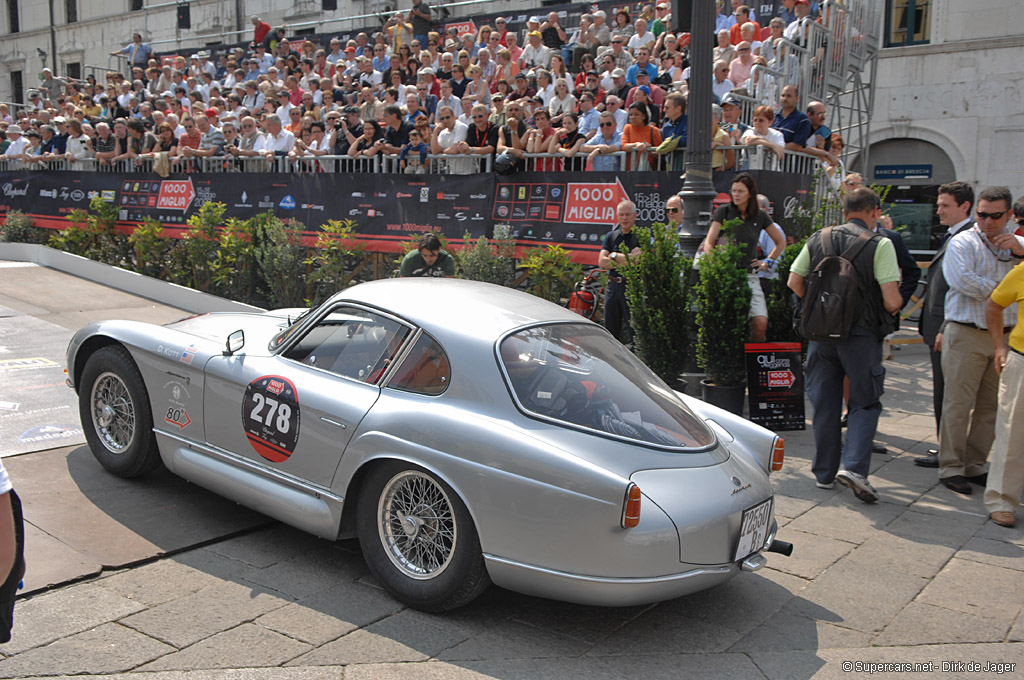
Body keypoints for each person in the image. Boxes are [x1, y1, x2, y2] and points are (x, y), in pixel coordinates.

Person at [788, 188, 903, 503]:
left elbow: (794, 282)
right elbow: (892, 301)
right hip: (860, 337)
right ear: (874, 212)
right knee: (865, 402)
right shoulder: (880, 245)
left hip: (821, 336)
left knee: (825, 406)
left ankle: (824, 475)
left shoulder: (819, 239)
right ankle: (854, 469)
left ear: (844, 212)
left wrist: (821, 311)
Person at [937, 186, 1024, 495]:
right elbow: (963, 280)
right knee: (958, 404)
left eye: (995, 216)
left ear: (1010, 215)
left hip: (1005, 334)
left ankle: (975, 464)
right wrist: (1008, 290)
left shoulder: (1017, 244)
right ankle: (950, 466)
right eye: (982, 215)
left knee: (990, 406)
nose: (988, 221)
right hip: (967, 332)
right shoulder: (963, 241)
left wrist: (1021, 251)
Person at [915, 181, 975, 467]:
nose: (938, 211)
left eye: (945, 205)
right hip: (939, 327)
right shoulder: (953, 235)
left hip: (947, 328)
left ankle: (949, 452)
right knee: (942, 391)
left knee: (948, 393)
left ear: (964, 206)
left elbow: (957, 288)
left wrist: (942, 328)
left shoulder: (966, 237)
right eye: (938, 204)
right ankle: (947, 448)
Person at [702, 172, 785, 341]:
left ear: (750, 193)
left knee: (761, 322)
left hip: (750, 276)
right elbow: (709, 242)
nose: (736, 195)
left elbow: (780, 242)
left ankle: (750, 362)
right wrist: (716, 264)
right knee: (727, 327)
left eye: (740, 191)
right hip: (726, 276)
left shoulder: (760, 215)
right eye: (734, 191)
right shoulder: (724, 211)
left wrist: (767, 262)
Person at [984, 214, 1024, 527]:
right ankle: (1001, 499)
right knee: (1012, 433)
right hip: (1022, 360)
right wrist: (1000, 346)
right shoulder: (1021, 272)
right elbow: (994, 305)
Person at [598, 200, 642, 342]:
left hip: (630, 287)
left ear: (635, 215)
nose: (624, 218)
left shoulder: (641, 236)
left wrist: (614, 255)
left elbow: (636, 262)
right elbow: (601, 261)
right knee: (610, 331)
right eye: (621, 214)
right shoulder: (612, 236)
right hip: (612, 286)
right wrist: (626, 260)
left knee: (633, 331)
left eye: (627, 214)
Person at [756, 194, 785, 299]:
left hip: (766, 281)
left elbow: (777, 261)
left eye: (756, 208)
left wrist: (763, 264)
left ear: (767, 210)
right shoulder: (749, 228)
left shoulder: (774, 230)